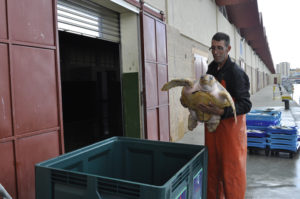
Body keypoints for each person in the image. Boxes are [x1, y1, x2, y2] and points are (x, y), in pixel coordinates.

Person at [198, 32, 252, 199]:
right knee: (212, 170)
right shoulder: (211, 68)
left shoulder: (236, 73)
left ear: (228, 49)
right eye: (213, 48)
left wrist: (223, 112)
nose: (216, 52)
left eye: (220, 48)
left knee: (231, 173)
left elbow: (246, 104)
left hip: (231, 131)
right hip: (212, 129)